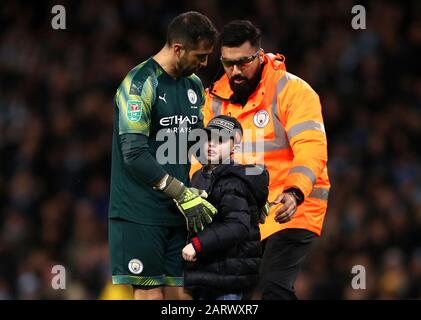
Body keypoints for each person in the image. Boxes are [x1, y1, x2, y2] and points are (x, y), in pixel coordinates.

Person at [201, 20, 330, 300]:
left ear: (260, 56)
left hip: (290, 208)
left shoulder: (293, 91)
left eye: (243, 62)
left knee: (272, 285)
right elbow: (200, 160)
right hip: (242, 213)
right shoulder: (213, 101)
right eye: (228, 63)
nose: (235, 71)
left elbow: (311, 147)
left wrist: (295, 192)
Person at [108, 12, 218, 300]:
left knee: (184, 296)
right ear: (178, 48)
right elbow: (133, 152)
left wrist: (236, 182)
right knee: (151, 296)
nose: (205, 63)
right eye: (201, 55)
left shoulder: (193, 85)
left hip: (181, 213)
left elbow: (198, 143)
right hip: (140, 213)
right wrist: (179, 191)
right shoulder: (140, 83)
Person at [182, 115, 269, 300]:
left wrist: (198, 245)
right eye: (209, 138)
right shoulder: (199, 175)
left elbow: (238, 226)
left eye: (220, 140)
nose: (212, 144)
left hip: (229, 276)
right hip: (207, 272)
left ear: (234, 146)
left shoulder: (233, 180)